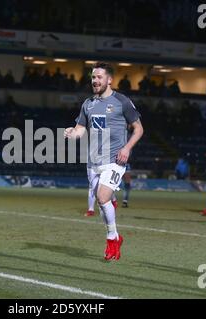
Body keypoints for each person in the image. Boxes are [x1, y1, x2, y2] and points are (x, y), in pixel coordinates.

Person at [65, 62, 144, 261]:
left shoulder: (122, 101)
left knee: (102, 197)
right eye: (93, 77)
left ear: (109, 80)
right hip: (93, 161)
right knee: (103, 202)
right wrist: (71, 133)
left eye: (99, 77)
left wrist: (126, 148)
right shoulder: (88, 104)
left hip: (115, 159)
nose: (95, 80)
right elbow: (79, 131)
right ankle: (116, 235)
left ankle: (111, 239)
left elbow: (139, 129)